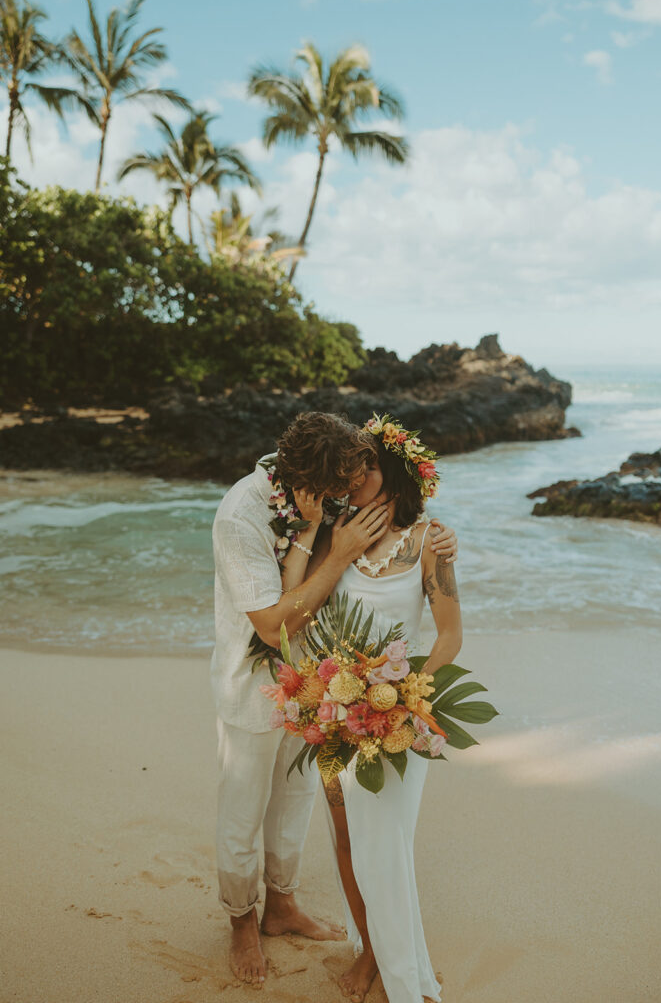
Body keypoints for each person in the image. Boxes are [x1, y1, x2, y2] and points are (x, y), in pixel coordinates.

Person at [211, 411, 457, 986]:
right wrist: (337, 551)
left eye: (358, 477)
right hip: (254, 682)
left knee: (295, 806)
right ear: (308, 484)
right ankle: (241, 919)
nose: (348, 495)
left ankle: (282, 905)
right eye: (340, 488)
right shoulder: (241, 518)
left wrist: (439, 536)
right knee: (244, 805)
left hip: (322, 694)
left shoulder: (340, 496)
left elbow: (403, 528)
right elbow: (275, 627)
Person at [283, 416, 462, 1003]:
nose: (354, 476)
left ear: (395, 474)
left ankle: (400, 975)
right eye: (352, 466)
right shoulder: (337, 530)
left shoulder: (429, 542)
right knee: (350, 840)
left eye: (367, 466)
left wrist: (411, 699)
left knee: (386, 847)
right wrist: (316, 533)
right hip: (337, 716)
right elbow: (297, 611)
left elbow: (449, 638)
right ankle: (371, 954)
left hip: (395, 719)